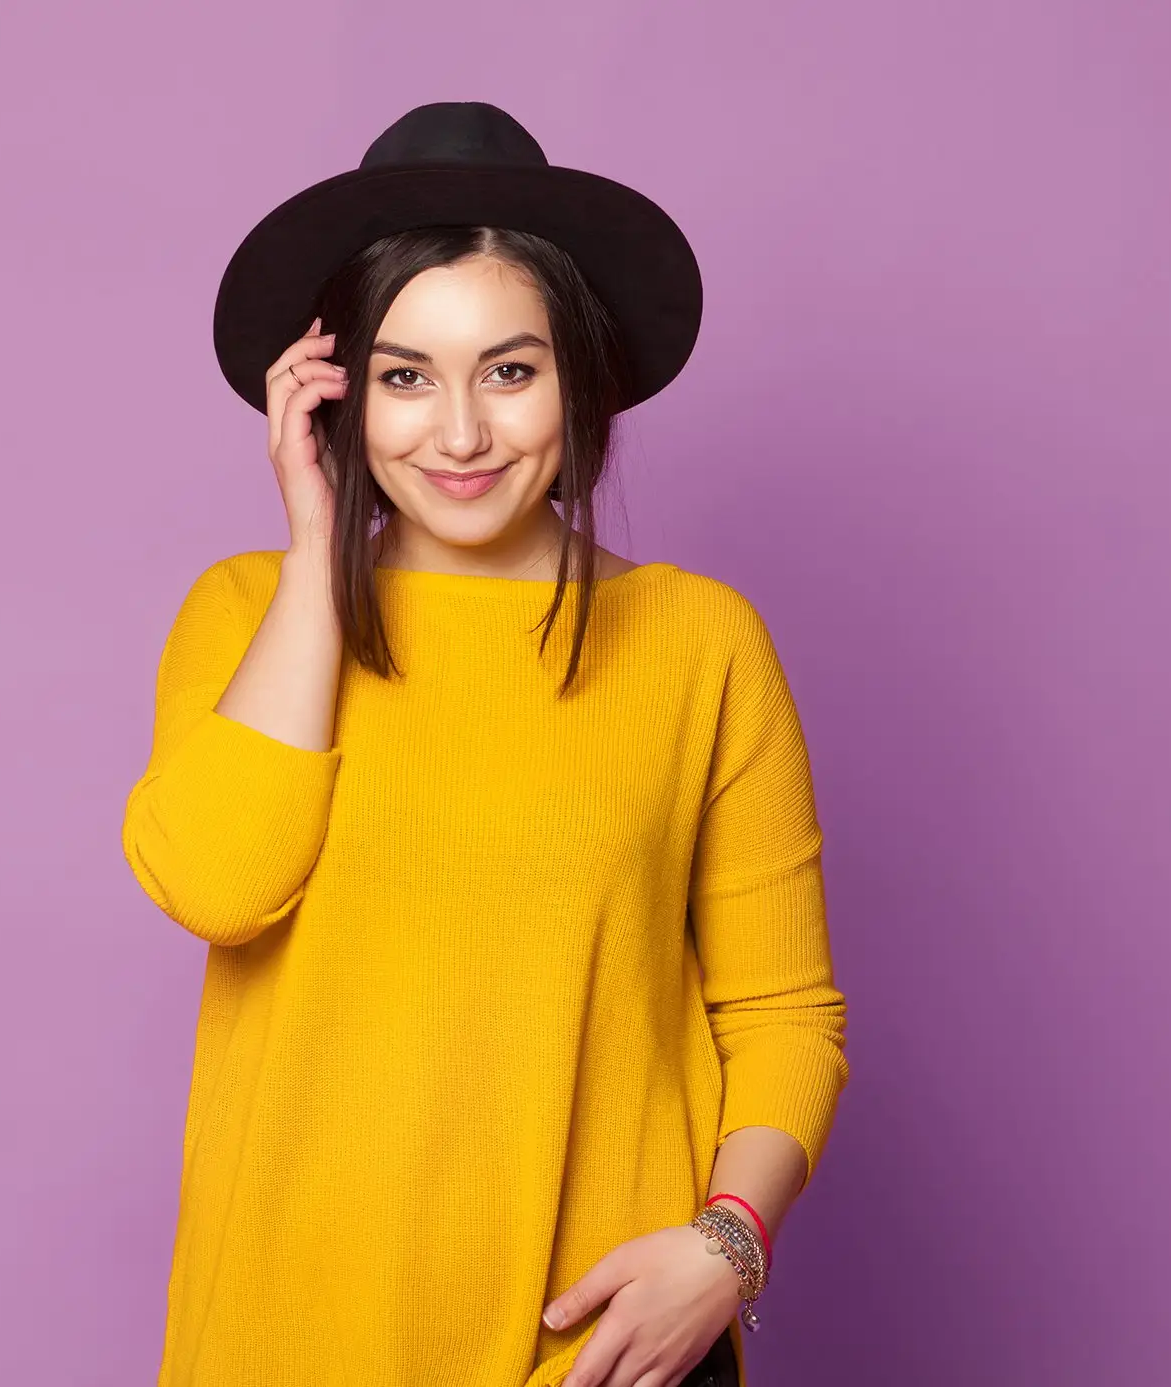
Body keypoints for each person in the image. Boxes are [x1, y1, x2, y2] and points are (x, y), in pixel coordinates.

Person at [122, 101, 848, 1387]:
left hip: (597, 1356)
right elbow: (220, 886)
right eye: (406, 378)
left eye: (510, 371)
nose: (459, 435)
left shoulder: (696, 641)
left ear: (583, 376)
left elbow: (784, 1013)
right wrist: (313, 550)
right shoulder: (248, 612)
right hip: (290, 1344)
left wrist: (725, 1248)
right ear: (339, 394)